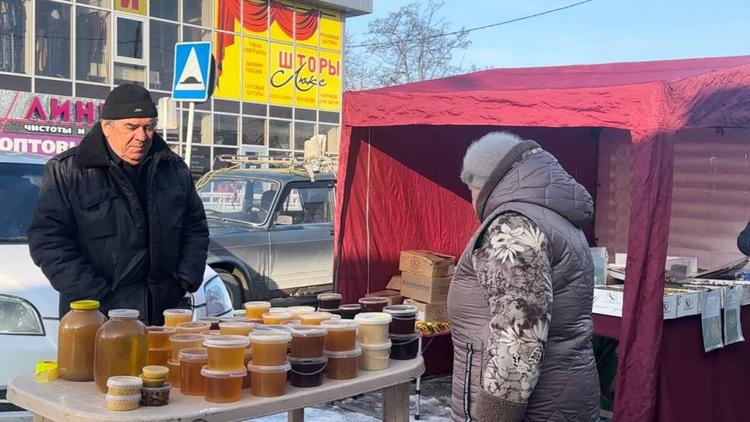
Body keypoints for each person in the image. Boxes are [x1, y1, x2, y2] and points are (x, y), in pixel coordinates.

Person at [27, 84, 208, 325]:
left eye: (149, 127)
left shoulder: (173, 169)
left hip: (163, 314)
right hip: (96, 317)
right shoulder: (69, 171)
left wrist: (183, 280)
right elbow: (48, 241)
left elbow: (195, 227)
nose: (141, 137)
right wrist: (96, 296)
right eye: (131, 127)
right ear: (106, 127)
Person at [449, 131, 599, 421]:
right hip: (565, 394)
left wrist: (494, 417)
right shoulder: (557, 218)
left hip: (533, 410)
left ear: (479, 182)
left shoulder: (512, 227)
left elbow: (519, 334)